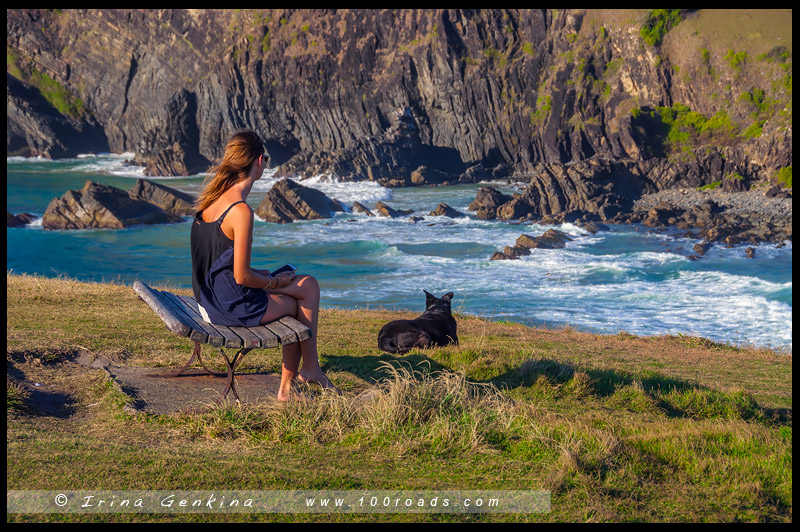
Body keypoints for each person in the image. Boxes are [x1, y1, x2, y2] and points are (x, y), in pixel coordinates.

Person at [191, 129, 338, 401]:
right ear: (259, 162)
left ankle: (308, 371)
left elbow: (219, 263)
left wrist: (267, 276)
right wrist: (273, 283)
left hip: (208, 299)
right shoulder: (240, 211)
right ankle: (295, 383)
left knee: (307, 285)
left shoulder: (211, 200)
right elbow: (241, 276)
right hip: (228, 305)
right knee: (297, 303)